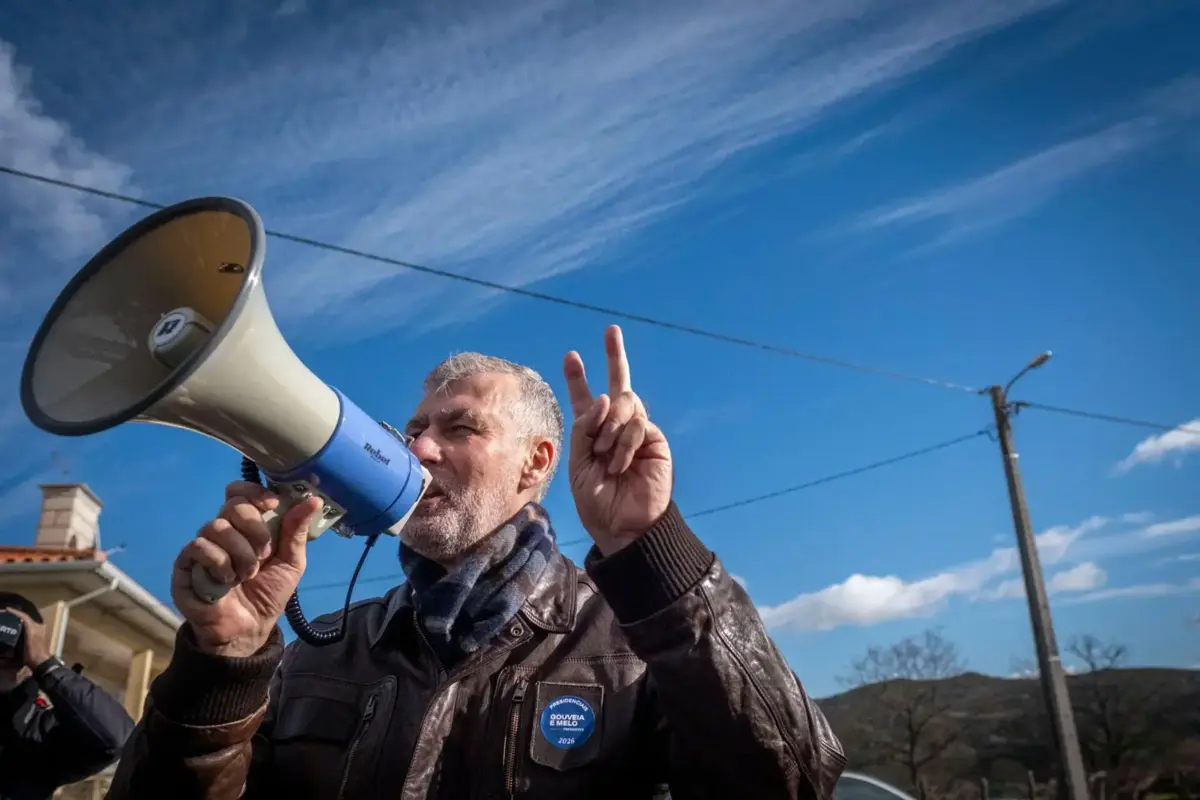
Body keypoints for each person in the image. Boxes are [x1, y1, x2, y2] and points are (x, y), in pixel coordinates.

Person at [108, 325, 845, 799]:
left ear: (535, 466)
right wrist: (223, 666)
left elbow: (795, 782)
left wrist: (651, 548)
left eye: (459, 428)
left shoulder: (632, 643)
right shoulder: (315, 657)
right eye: (414, 429)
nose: (419, 450)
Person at [0, 592, 135, 800]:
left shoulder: (38, 733)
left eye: (18, 642)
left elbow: (114, 738)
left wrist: (45, 665)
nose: (5, 653)